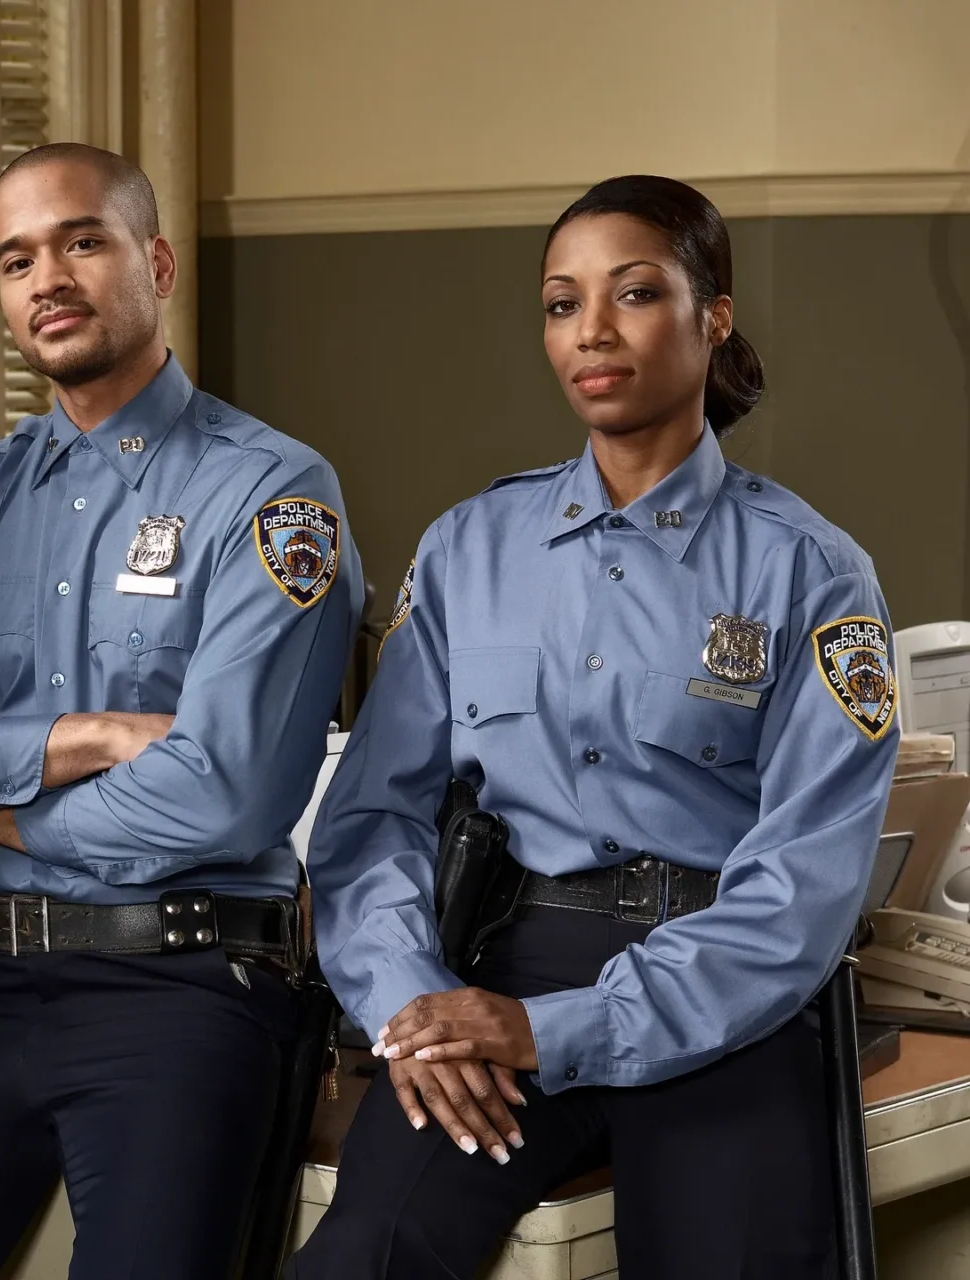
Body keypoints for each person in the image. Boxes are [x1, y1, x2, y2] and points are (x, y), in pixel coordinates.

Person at [288, 175, 899, 1279]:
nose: (593, 332)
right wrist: (412, 1004)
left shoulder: (813, 571)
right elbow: (371, 818)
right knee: (369, 1253)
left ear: (713, 316)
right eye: (561, 303)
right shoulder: (471, 547)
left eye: (634, 293)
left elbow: (806, 885)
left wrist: (554, 1033)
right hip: (506, 960)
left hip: (729, 983)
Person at [0, 142, 365, 1280]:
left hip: (183, 987)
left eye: (81, 240)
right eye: (15, 258)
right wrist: (72, 741)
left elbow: (226, 793)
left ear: (157, 262)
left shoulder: (272, 490)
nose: (47, 276)